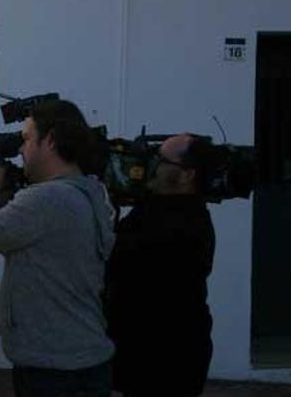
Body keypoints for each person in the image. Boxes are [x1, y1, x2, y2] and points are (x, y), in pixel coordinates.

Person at [0, 99, 115, 397]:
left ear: (51, 141)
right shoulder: (86, 191)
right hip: (79, 360)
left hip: (54, 371)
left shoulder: (48, 199)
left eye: (27, 138)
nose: (21, 149)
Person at [107, 134, 215, 397]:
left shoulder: (184, 224)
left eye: (160, 159)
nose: (150, 164)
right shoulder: (156, 207)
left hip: (169, 359)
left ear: (188, 175)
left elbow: (115, 255)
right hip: (143, 353)